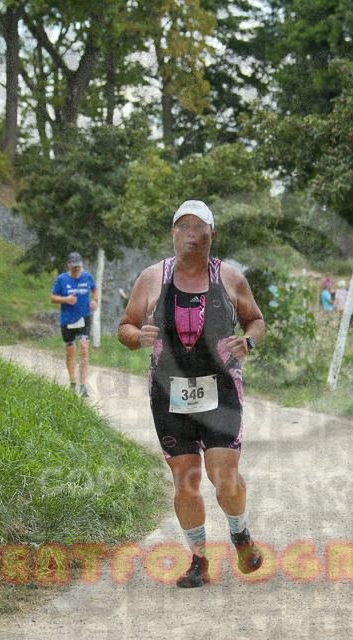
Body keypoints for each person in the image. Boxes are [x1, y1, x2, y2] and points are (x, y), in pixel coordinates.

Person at [118, 200, 266, 588]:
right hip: (168, 395)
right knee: (185, 480)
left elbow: (255, 320)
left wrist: (248, 342)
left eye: (199, 228)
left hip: (220, 389)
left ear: (211, 235)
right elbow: (126, 326)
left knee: (223, 475)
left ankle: (239, 532)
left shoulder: (229, 278)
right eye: (182, 227)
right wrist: (138, 337)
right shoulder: (152, 278)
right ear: (172, 233)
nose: (191, 235)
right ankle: (198, 559)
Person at [50, 252, 98, 397]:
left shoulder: (87, 277)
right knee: (70, 352)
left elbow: (94, 289)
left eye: (79, 266)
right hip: (67, 320)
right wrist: (65, 299)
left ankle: (83, 384)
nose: (77, 269)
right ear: (68, 265)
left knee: (84, 348)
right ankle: (72, 382)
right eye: (74, 267)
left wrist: (95, 300)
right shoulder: (61, 279)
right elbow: (53, 298)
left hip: (84, 317)